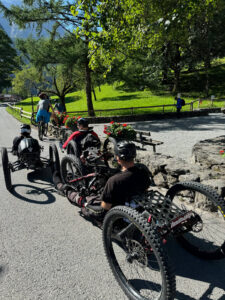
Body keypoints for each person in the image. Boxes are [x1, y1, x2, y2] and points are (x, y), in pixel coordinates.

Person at [53, 140, 151, 219]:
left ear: (118, 158)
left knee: (79, 197)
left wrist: (86, 204)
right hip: (133, 206)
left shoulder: (114, 181)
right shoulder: (143, 172)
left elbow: (103, 210)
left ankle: (62, 186)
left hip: (115, 215)